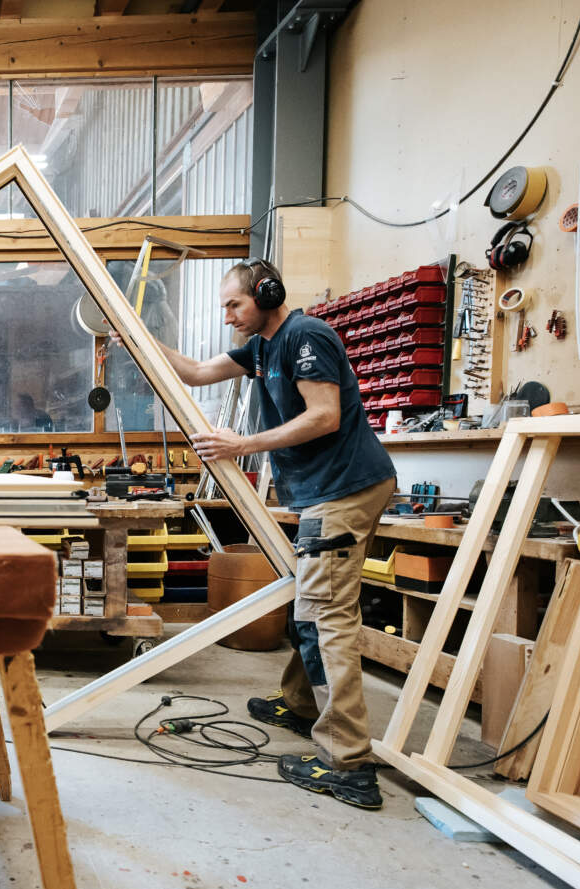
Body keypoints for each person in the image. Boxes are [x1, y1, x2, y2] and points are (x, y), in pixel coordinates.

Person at [150, 258, 398, 809]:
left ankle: (348, 763)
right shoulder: (261, 347)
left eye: (234, 305)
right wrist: (136, 338)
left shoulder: (306, 336)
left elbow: (325, 415)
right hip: (325, 489)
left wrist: (243, 444)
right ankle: (302, 704)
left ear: (267, 293)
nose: (228, 317)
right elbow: (195, 373)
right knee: (308, 602)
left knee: (326, 617)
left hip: (344, 489)